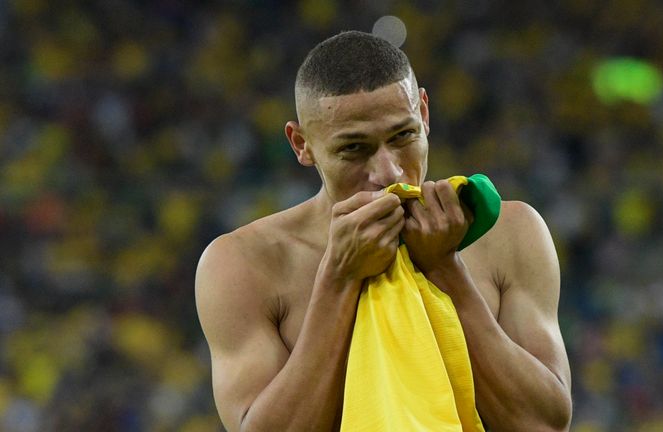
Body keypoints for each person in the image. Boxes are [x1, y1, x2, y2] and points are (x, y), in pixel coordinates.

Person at [195, 30, 572, 432]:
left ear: (424, 114)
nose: (388, 172)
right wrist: (339, 278)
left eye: (403, 136)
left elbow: (543, 424)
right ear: (302, 144)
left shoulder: (510, 232)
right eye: (354, 149)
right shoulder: (243, 264)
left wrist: (446, 271)